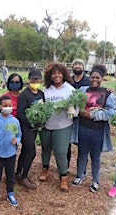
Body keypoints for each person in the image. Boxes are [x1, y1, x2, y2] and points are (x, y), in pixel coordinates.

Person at [71, 64, 116, 193]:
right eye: (92, 77)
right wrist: (78, 111)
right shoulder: (82, 90)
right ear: (89, 77)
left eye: (97, 77)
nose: (94, 80)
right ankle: (80, 175)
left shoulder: (108, 94)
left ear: (102, 78)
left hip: (98, 130)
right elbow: (73, 102)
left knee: (96, 156)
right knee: (82, 153)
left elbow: (111, 112)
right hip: (82, 127)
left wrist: (92, 114)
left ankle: (95, 180)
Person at [38, 63, 77, 191]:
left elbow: (76, 108)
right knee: (46, 148)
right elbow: (41, 105)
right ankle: (45, 170)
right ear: (50, 76)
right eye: (53, 73)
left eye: (59, 73)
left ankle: (63, 177)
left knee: (60, 152)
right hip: (47, 124)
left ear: (64, 74)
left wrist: (72, 109)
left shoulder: (70, 89)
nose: (56, 75)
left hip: (63, 125)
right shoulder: (47, 90)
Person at [0, 95, 22, 206]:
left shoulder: (15, 121)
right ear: (0, 107)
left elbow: (19, 135)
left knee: (10, 174)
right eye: (5, 105)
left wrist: (17, 140)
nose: (7, 107)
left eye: (10, 106)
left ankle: (10, 192)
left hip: (10, 153)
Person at [15, 69, 44, 190]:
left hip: (35, 128)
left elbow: (44, 109)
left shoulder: (41, 94)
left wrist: (41, 120)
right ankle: (24, 176)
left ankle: (17, 174)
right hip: (26, 128)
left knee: (25, 152)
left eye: (38, 79)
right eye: (33, 79)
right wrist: (30, 122)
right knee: (31, 153)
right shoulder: (25, 94)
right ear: (29, 80)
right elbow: (20, 113)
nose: (35, 81)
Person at [66, 58, 91, 170]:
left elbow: (97, 92)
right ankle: (65, 167)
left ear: (83, 67)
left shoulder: (88, 81)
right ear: (72, 67)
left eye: (80, 64)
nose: (77, 66)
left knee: (82, 144)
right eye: (75, 64)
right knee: (67, 142)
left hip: (83, 116)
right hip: (69, 115)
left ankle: (81, 171)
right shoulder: (68, 81)